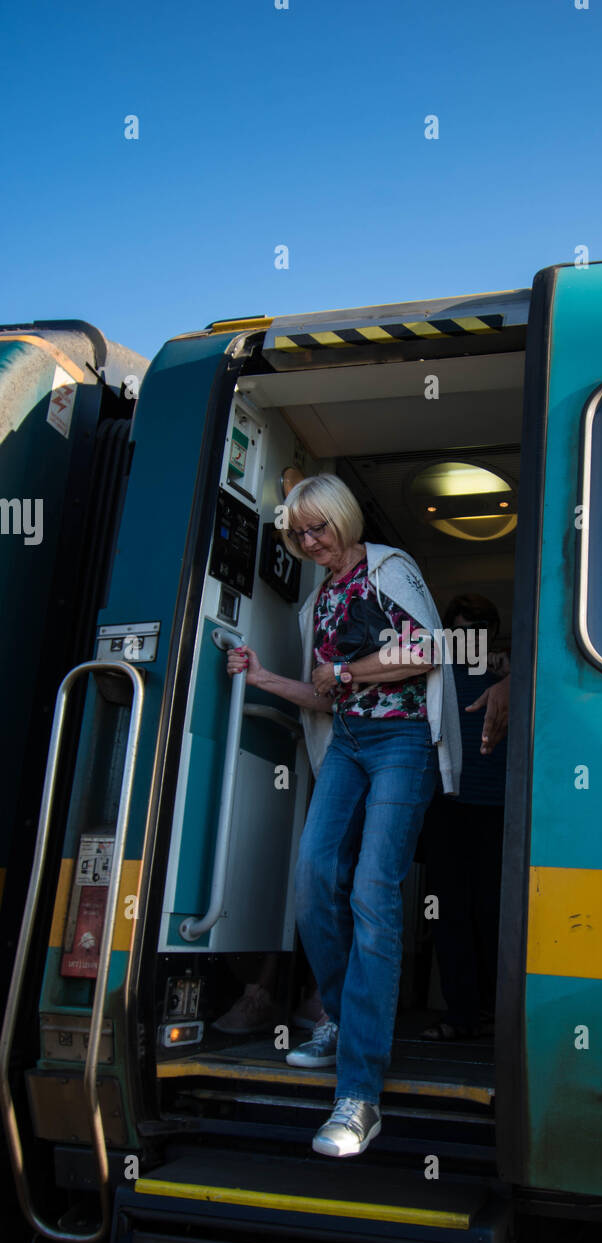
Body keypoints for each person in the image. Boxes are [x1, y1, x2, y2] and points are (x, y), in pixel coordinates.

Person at [226, 474, 461, 1157]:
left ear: (342, 519)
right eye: (297, 535)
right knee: (313, 880)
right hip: (350, 745)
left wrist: (350, 674)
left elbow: (428, 650)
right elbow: (326, 697)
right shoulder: (319, 600)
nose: (308, 542)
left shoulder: (388, 566)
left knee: (372, 893)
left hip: (401, 743)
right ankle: (336, 1017)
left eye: (317, 528)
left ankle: (359, 1096)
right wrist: (263, 676)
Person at [420, 595, 509, 1041]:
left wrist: (511, 669)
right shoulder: (436, 673)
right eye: (458, 632)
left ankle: (497, 1014)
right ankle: (461, 1018)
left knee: (495, 913)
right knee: (446, 912)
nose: (467, 641)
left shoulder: (515, 671)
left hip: (499, 812)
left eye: (477, 631)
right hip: (446, 808)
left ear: (492, 632)